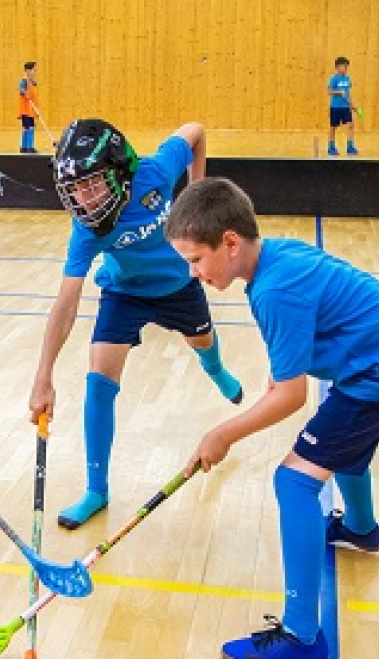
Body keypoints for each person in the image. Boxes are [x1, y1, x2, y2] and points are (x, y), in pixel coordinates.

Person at [165, 177, 379, 659]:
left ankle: (302, 635)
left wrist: (222, 433)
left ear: (229, 243)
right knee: (340, 446)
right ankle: (360, 529)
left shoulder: (273, 291)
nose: (193, 273)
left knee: (293, 481)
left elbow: (291, 396)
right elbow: (287, 369)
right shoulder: (276, 257)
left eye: (195, 260)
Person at [28, 119, 243, 530]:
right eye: (74, 189)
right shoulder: (86, 230)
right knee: (99, 380)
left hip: (179, 285)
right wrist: (44, 376)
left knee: (203, 341)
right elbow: (66, 304)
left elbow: (196, 131)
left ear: (119, 173)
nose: (83, 200)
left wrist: (196, 194)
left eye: (91, 185)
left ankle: (215, 370)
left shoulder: (156, 171)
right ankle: (96, 489)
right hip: (124, 292)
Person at [327, 56, 359, 156]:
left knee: (350, 125)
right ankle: (331, 147)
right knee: (333, 127)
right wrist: (338, 92)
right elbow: (329, 91)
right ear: (337, 67)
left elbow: (347, 94)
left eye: (347, 66)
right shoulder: (333, 79)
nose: (346, 68)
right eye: (344, 66)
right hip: (335, 107)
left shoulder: (348, 79)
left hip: (345, 107)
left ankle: (350, 146)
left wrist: (352, 105)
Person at [18, 61, 39, 154]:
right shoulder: (24, 81)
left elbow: (34, 95)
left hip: (31, 109)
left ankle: (25, 147)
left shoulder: (33, 83)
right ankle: (27, 147)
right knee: (28, 127)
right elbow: (20, 89)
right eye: (34, 70)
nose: (35, 72)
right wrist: (24, 91)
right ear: (28, 71)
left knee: (29, 127)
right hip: (26, 110)